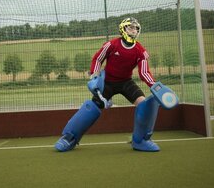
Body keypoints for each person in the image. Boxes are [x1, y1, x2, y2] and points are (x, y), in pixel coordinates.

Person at [54, 17, 166, 152]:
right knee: (92, 107)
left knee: (144, 104)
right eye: (131, 27)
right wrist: (94, 75)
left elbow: (144, 72)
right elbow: (97, 59)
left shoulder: (141, 51)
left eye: (136, 28)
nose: (134, 30)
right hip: (107, 82)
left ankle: (141, 140)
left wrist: (155, 86)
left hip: (126, 82)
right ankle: (69, 137)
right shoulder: (111, 45)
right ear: (123, 29)